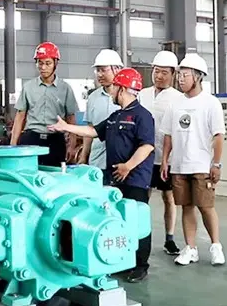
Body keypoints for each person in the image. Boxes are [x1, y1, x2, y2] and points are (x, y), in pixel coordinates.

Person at [48, 68, 155, 283]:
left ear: (122, 88)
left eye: (114, 87)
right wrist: (66, 127)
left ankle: (140, 265)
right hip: (115, 177)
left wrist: (128, 166)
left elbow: (147, 147)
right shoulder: (116, 116)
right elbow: (94, 131)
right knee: (118, 219)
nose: (111, 90)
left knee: (137, 220)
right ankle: (123, 260)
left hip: (134, 178)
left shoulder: (143, 116)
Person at [160, 53, 226, 267]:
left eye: (184, 75)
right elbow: (168, 135)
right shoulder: (174, 104)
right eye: (179, 75)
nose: (180, 79)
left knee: (206, 206)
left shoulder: (211, 103)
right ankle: (191, 248)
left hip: (202, 165)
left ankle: (216, 246)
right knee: (186, 206)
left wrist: (216, 164)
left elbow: (218, 136)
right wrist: (165, 161)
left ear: (198, 77)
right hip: (179, 165)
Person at [139, 51, 182, 255]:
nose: (159, 76)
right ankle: (139, 237)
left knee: (169, 197)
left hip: (168, 159)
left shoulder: (178, 98)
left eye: (164, 72)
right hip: (144, 156)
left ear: (173, 74)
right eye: (156, 71)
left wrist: (168, 159)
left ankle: (169, 239)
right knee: (142, 198)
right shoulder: (142, 94)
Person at [10, 41, 78, 166]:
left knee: (55, 178)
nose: (43, 67)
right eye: (40, 63)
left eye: (48, 63)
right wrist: (13, 144)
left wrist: (72, 146)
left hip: (55, 141)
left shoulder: (65, 88)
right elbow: (20, 117)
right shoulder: (28, 87)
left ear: (55, 64)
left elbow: (71, 119)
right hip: (31, 139)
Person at [78, 49, 123, 184]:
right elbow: (89, 129)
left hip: (121, 162)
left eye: (103, 70)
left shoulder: (129, 97)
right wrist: (84, 156)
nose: (100, 74)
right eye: (97, 70)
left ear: (116, 69)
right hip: (97, 160)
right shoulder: (93, 97)